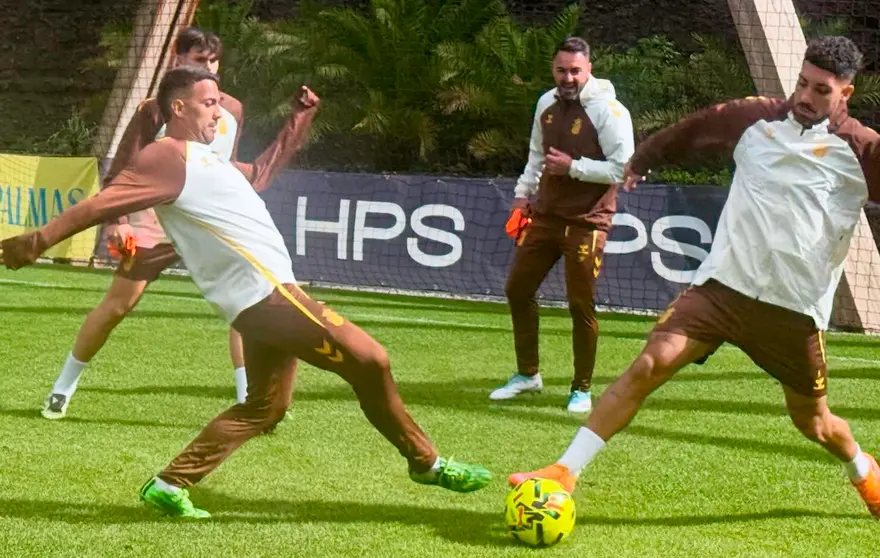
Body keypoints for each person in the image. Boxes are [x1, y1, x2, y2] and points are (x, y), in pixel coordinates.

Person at [1, 66, 491, 518]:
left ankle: (171, 483)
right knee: (372, 359)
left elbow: (258, 174)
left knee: (265, 407)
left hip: (261, 302)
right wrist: (38, 240)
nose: (220, 110)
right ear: (178, 109)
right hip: (268, 296)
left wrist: (298, 123)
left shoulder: (206, 160)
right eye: (210, 103)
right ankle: (425, 463)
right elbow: (102, 203)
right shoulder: (165, 157)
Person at [507, 35, 880, 518]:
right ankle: (563, 471)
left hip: (792, 312)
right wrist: (643, 158)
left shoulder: (863, 150)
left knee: (815, 423)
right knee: (647, 366)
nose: (805, 97)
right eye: (802, 83)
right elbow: (697, 129)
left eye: (822, 90)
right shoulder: (758, 118)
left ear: (845, 94)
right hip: (720, 290)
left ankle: (863, 470)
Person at [41, 27, 258, 420]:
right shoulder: (153, 110)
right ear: (178, 61)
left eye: (212, 60)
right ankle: (62, 388)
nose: (208, 67)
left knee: (246, 304)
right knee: (118, 306)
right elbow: (121, 171)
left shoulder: (233, 110)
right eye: (198, 59)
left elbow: (226, 167)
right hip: (155, 224)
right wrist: (118, 222)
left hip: (209, 225)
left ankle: (249, 399)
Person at [492, 37, 635, 413]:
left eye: (575, 70)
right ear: (553, 69)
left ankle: (581, 388)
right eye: (561, 70)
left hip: (588, 223)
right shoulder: (546, 104)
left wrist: (574, 167)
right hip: (546, 216)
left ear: (589, 69)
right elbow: (536, 157)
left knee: (579, 304)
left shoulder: (609, 111)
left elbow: (624, 168)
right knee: (517, 289)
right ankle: (528, 375)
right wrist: (523, 197)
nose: (568, 77)